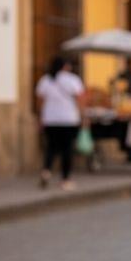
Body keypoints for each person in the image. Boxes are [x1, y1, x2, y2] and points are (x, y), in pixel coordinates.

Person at [35, 55, 85, 190]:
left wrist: (40, 118)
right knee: (67, 150)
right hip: (68, 119)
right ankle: (65, 179)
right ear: (66, 66)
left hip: (50, 119)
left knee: (51, 147)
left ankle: (46, 171)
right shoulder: (72, 80)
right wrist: (83, 116)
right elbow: (80, 99)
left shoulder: (45, 80)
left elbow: (40, 101)